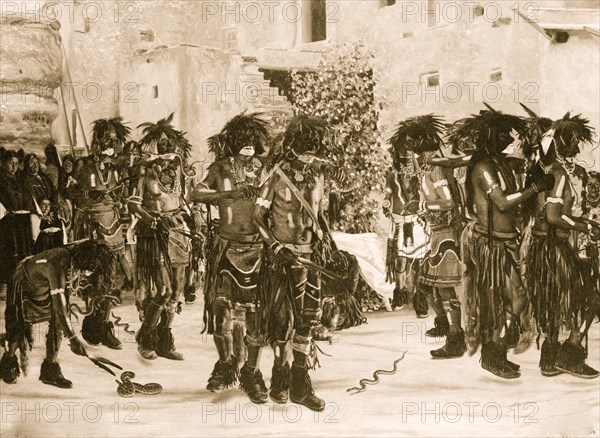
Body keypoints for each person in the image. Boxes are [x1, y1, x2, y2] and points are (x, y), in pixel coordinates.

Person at [458, 107, 554, 379]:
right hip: (490, 246)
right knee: (502, 301)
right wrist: (534, 188)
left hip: (506, 242)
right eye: (500, 135)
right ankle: (493, 355)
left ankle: (496, 352)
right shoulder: (484, 167)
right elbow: (501, 202)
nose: (506, 139)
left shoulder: (500, 164)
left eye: (507, 135)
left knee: (513, 301)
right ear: (489, 137)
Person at [189, 112, 271, 401]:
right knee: (220, 312)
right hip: (226, 249)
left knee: (255, 316)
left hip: (258, 249)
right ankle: (225, 364)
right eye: (244, 142)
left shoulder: (266, 169)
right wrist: (229, 194)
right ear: (235, 143)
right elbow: (196, 194)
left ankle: (251, 371)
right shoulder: (221, 168)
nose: (249, 147)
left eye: (253, 143)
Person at [253, 114, 333, 412]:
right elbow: (257, 217)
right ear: (293, 149)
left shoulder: (317, 176)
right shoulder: (275, 176)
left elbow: (319, 214)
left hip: (310, 257)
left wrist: (325, 237)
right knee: (283, 322)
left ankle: (300, 383)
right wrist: (275, 245)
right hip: (282, 258)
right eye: (304, 152)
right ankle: (280, 377)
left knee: (308, 321)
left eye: (313, 153)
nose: (308, 158)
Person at [523, 113, 600, 378]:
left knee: (552, 302)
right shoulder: (559, 173)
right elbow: (555, 217)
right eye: (574, 142)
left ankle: (550, 358)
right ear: (561, 142)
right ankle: (571, 354)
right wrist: (586, 226)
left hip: (544, 246)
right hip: (554, 248)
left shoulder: (547, 170)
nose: (578, 148)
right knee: (589, 299)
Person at [394, 115, 467, 358]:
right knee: (426, 285)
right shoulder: (430, 166)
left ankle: (456, 338)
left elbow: (446, 201)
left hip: (445, 235)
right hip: (435, 234)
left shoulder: (436, 168)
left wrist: (424, 208)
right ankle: (445, 325)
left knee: (445, 290)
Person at [0, 241, 114, 387]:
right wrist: (73, 340)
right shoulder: (57, 265)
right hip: (24, 283)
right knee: (17, 327)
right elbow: (60, 308)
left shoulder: (85, 250)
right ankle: (7, 362)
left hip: (46, 283)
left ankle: (50, 371)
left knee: (58, 324)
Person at [130, 113, 193, 361]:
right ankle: (145, 338)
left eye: (170, 145)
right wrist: (152, 220)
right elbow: (133, 205)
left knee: (176, 291)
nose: (167, 148)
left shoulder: (177, 172)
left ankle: (164, 341)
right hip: (154, 234)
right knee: (164, 290)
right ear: (154, 146)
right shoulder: (144, 172)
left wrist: (189, 215)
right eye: (162, 145)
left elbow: (182, 200)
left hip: (177, 231)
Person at [70, 117, 133, 349]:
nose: (110, 143)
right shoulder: (83, 165)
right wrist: (87, 196)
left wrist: (121, 195)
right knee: (92, 275)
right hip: (89, 224)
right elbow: (67, 191)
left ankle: (105, 326)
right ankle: (92, 322)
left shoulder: (115, 167)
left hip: (113, 224)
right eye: (106, 139)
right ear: (97, 141)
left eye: (114, 141)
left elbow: (120, 193)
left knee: (112, 275)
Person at [385, 128, 430, 317]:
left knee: (420, 261)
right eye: (402, 152)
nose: (406, 155)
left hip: (416, 221)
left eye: (409, 152)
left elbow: (426, 194)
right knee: (400, 261)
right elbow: (388, 193)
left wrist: (424, 208)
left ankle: (420, 301)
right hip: (399, 222)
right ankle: (400, 293)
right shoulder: (392, 174)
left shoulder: (420, 175)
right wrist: (386, 203)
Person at [0, 150, 35, 297]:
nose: (14, 167)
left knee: (24, 251)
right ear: (3, 164)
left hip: (22, 222)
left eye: (16, 163)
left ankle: (23, 282)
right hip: (5, 222)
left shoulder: (22, 180)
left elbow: (29, 197)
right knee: (7, 252)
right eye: (10, 163)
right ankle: (4, 284)